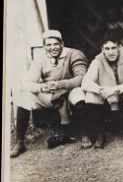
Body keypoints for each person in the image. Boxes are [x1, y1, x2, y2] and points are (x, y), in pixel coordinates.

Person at [11, 29, 88, 158]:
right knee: (25, 96)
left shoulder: (74, 54)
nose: (52, 48)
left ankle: (87, 134)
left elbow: (81, 78)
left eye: (56, 44)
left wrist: (60, 84)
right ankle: (20, 143)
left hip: (69, 91)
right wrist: (42, 88)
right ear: (44, 46)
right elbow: (27, 82)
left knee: (79, 94)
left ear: (62, 44)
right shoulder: (41, 59)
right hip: (51, 95)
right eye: (48, 45)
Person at [80, 32, 123, 149]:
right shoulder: (98, 60)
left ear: (119, 48)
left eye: (114, 48)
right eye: (107, 49)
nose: (111, 52)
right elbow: (85, 82)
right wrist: (100, 89)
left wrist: (116, 89)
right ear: (102, 49)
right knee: (90, 95)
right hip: (106, 92)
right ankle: (99, 134)